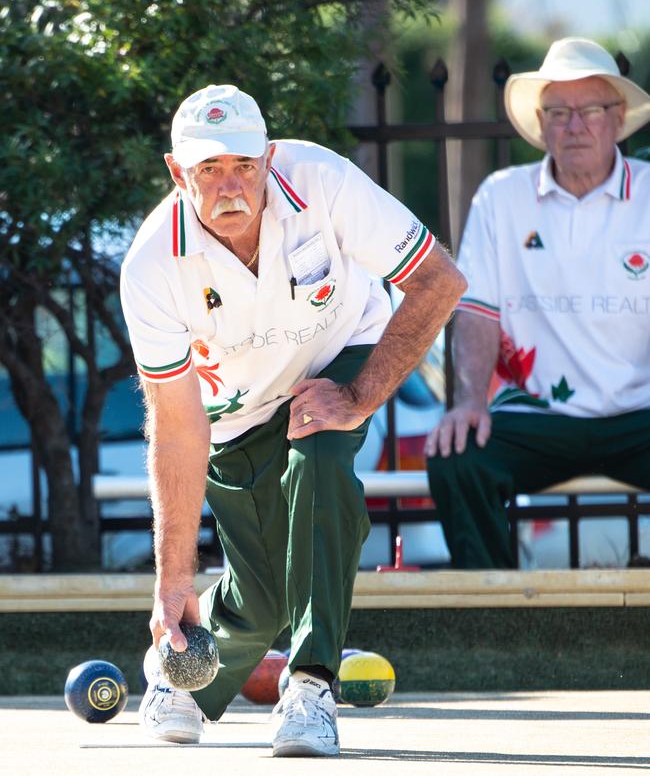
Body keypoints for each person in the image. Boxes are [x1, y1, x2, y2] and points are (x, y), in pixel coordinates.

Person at [120, 83, 465, 756]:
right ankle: (182, 671)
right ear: (175, 171)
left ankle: (310, 690)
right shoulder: (150, 266)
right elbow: (177, 424)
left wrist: (360, 395)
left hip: (337, 358)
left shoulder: (323, 180)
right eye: (208, 169)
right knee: (262, 597)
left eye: (244, 165)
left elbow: (440, 280)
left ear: (270, 158)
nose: (229, 185)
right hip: (233, 419)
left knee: (322, 462)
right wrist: (173, 583)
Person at [426, 37, 650, 570]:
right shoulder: (502, 196)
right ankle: (498, 625)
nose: (575, 125)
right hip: (538, 414)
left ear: (617, 118)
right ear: (541, 123)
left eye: (590, 109)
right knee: (457, 456)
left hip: (641, 412)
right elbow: (478, 309)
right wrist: (470, 402)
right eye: (558, 111)